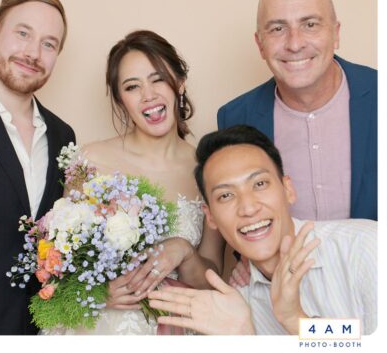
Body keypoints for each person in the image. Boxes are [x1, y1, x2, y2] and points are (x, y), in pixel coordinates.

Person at [42, 30, 220, 335]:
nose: (148, 95)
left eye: (158, 79)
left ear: (179, 83)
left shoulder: (209, 170)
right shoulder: (90, 160)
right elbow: (55, 263)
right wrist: (96, 293)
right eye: (132, 86)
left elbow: (214, 281)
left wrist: (184, 251)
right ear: (121, 100)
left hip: (175, 329)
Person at [148, 125, 377, 335]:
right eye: (226, 195)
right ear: (211, 217)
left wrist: (295, 320)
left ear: (288, 189)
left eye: (259, 184)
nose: (248, 208)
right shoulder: (233, 308)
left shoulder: (368, 246)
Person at [218, 0, 377, 221]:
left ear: (335, 34)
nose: (294, 44)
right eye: (277, 29)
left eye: (310, 24)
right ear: (260, 45)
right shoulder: (235, 118)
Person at [0, 0, 76, 335]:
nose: (33, 53)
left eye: (49, 44)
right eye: (23, 33)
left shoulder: (63, 136)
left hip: (41, 330)